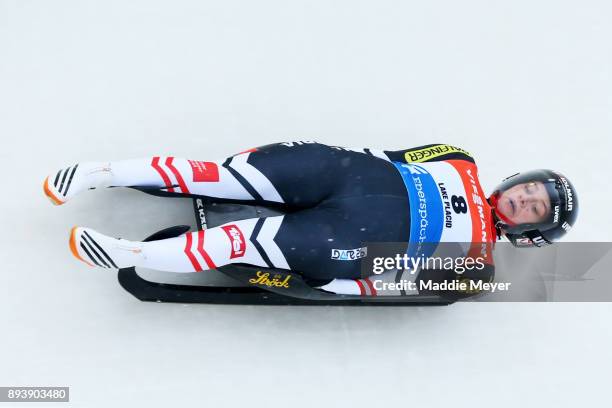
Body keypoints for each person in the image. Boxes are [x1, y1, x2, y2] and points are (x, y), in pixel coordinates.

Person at [43, 141, 578, 296]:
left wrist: (333, 284)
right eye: (528, 188)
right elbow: (389, 155)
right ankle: (100, 171)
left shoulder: (480, 266)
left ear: (531, 231)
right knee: (216, 173)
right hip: (344, 175)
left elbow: (399, 283)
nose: (522, 198)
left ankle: (131, 254)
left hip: (355, 239)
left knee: (239, 240)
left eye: (534, 207)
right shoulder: (458, 157)